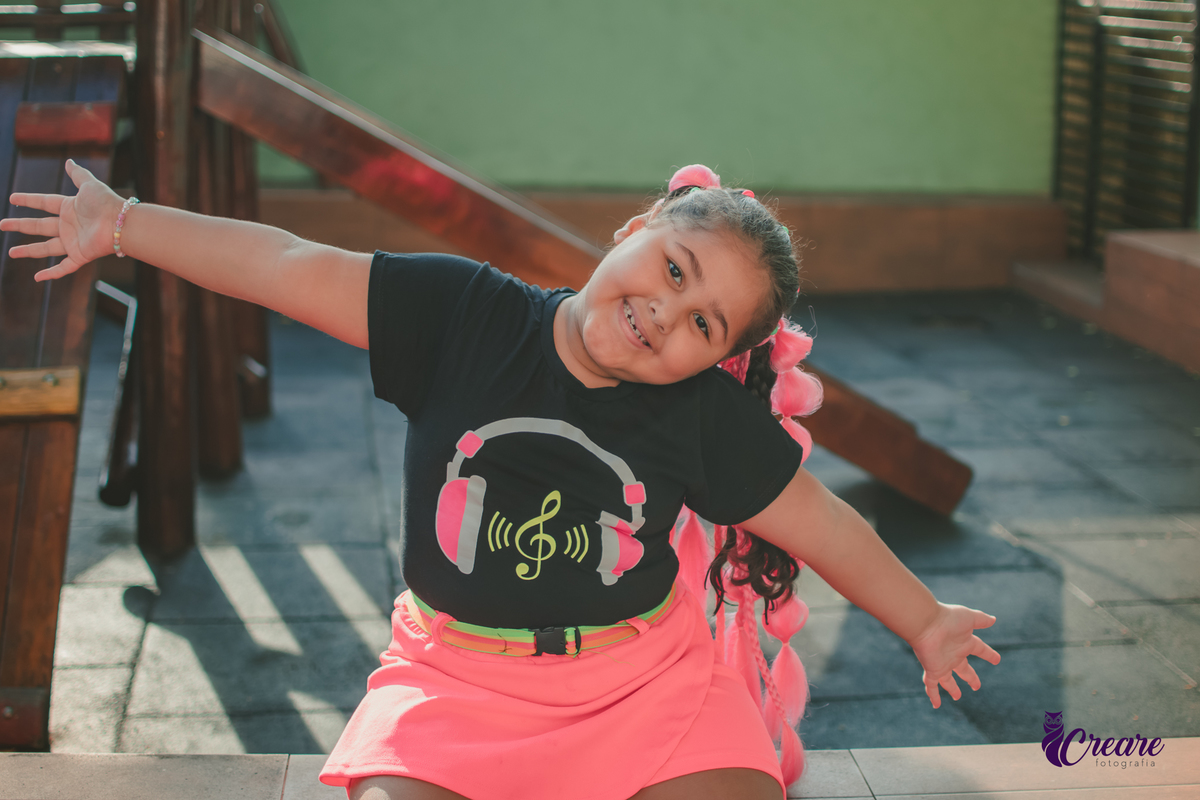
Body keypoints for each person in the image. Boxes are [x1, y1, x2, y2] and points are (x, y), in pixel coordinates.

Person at [4, 160, 1000, 800]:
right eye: (676, 267)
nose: (667, 309)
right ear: (634, 230)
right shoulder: (463, 316)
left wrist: (923, 617)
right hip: (457, 680)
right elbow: (283, 259)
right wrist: (126, 224)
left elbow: (818, 520)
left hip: (640, 680)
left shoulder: (697, 414)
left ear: (717, 360)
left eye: (704, 324)